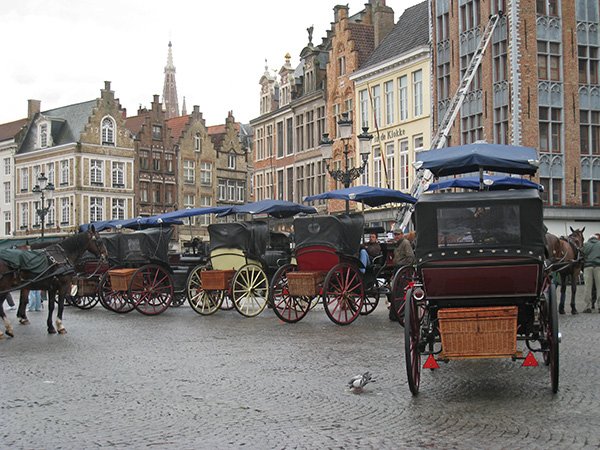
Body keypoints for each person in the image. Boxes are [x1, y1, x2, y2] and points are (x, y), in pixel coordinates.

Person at [582, 233, 600, 313]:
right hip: (598, 266)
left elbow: (583, 254)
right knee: (599, 287)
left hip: (587, 266)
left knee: (587, 287)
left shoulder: (586, 244)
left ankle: (587, 307)